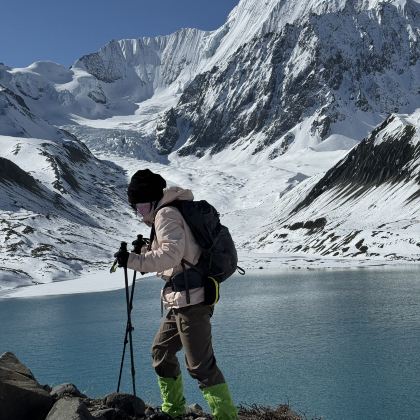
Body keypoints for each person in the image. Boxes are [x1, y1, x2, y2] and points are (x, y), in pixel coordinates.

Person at [115, 169, 237, 420]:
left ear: (149, 201)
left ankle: (226, 417)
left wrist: (134, 260)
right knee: (161, 352)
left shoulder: (166, 214)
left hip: (192, 301)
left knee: (200, 366)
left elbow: (170, 255)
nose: (139, 214)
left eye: (139, 208)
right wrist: (147, 249)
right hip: (182, 299)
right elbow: (181, 253)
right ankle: (174, 409)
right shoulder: (170, 211)